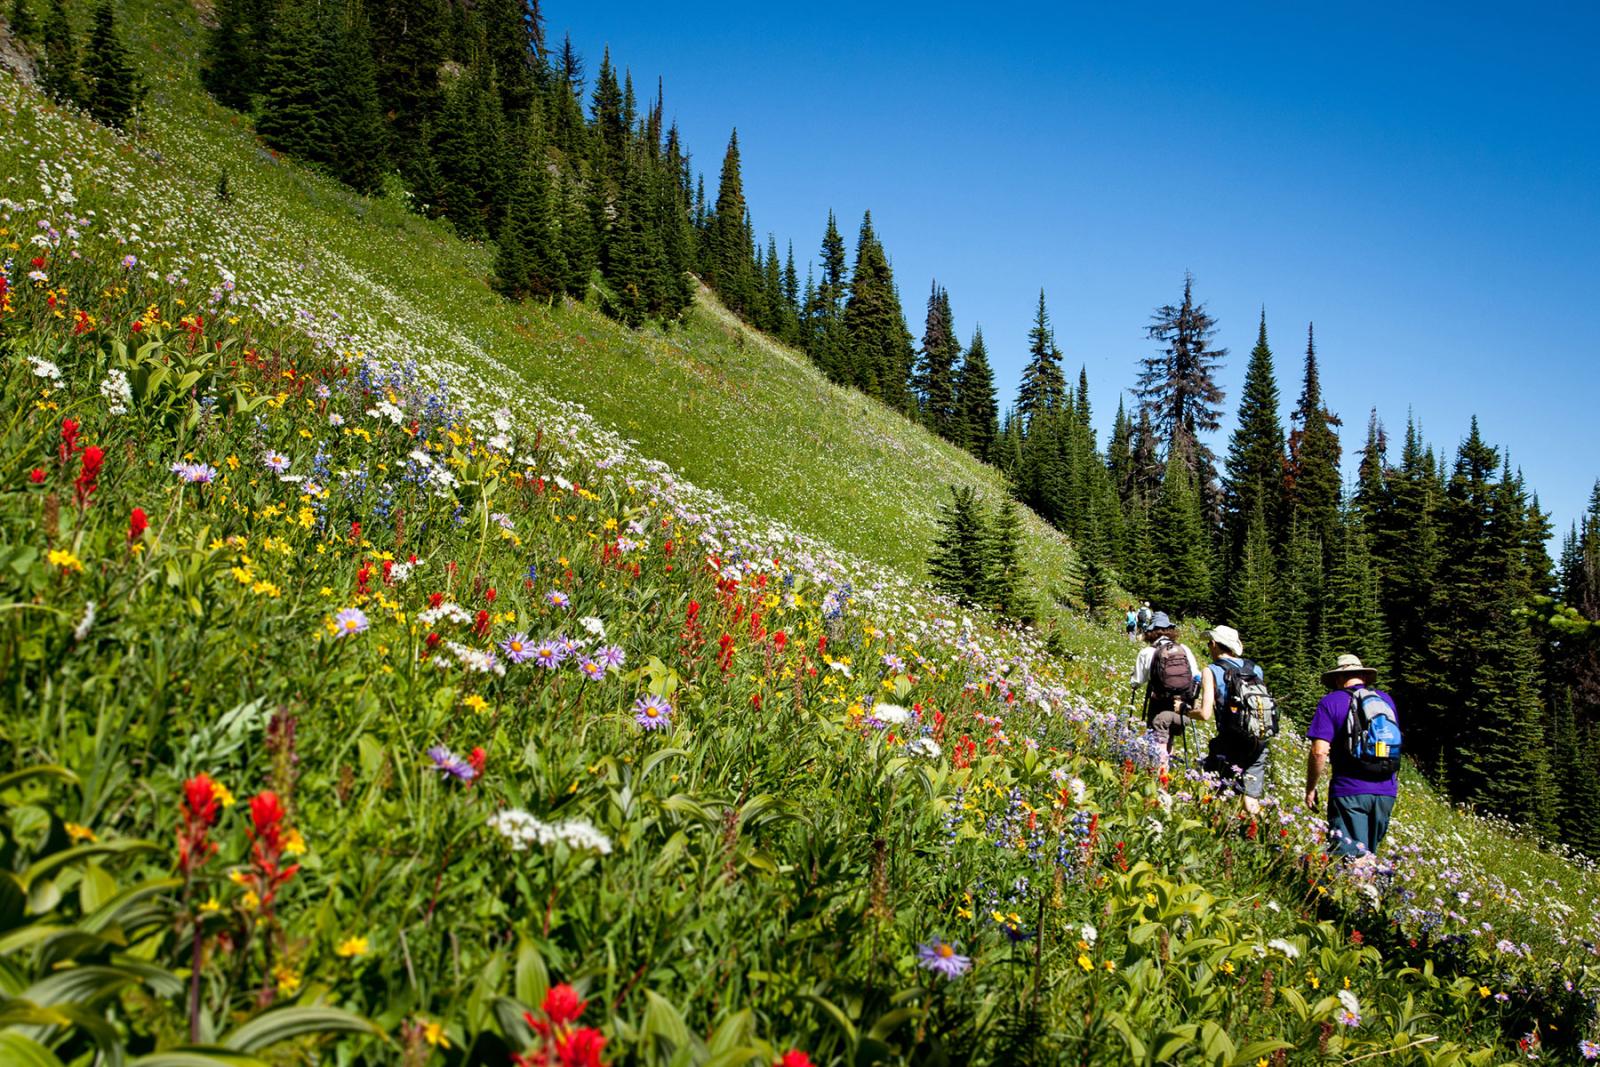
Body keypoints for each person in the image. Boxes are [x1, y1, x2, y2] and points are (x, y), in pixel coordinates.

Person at [1304, 654, 1400, 860]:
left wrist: (1311, 788)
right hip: (1386, 792)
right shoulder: (1386, 701)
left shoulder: (1331, 702)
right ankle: (1376, 889)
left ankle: (1350, 891)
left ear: (1339, 678)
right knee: (1369, 858)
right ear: (1363, 676)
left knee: (1348, 859)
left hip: (1350, 791)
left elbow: (1319, 751)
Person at [1195, 625, 1276, 814]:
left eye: (1209, 644)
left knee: (1212, 787)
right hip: (1258, 739)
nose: (1208, 647)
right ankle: (1256, 836)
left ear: (1214, 644)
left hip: (1230, 740)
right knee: (1251, 798)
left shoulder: (1211, 670)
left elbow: (1205, 713)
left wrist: (1184, 710)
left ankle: (1212, 830)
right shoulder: (1255, 668)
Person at [1128, 612, 1199, 770]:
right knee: (1170, 736)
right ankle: (1166, 770)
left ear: (1151, 632)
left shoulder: (1147, 653)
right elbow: (1195, 676)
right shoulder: (1184, 649)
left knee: (1158, 738)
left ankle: (1159, 774)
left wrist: (1133, 682)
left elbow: (1136, 682)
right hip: (1183, 707)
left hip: (1159, 705)